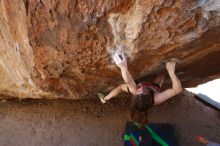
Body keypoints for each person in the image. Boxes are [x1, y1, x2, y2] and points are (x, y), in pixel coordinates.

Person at [98, 52, 182, 146]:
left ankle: (105, 99)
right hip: (154, 88)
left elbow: (129, 81)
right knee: (162, 74)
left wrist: (123, 67)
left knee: (122, 87)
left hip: (138, 87)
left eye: (139, 92)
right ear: (150, 97)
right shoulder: (157, 98)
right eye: (144, 91)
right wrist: (171, 73)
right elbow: (177, 89)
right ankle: (105, 99)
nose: (141, 88)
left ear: (136, 96)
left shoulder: (135, 90)